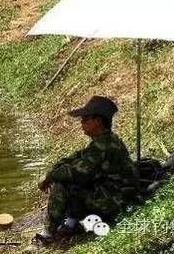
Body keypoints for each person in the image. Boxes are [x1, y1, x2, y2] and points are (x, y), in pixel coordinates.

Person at [36, 96, 138, 242]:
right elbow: (75, 158)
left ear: (98, 121)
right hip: (112, 193)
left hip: (115, 199)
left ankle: (49, 233)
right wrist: (55, 168)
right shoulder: (103, 141)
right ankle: (71, 224)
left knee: (61, 185)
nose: (81, 123)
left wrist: (50, 177)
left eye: (85, 119)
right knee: (69, 180)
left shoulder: (103, 145)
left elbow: (77, 172)